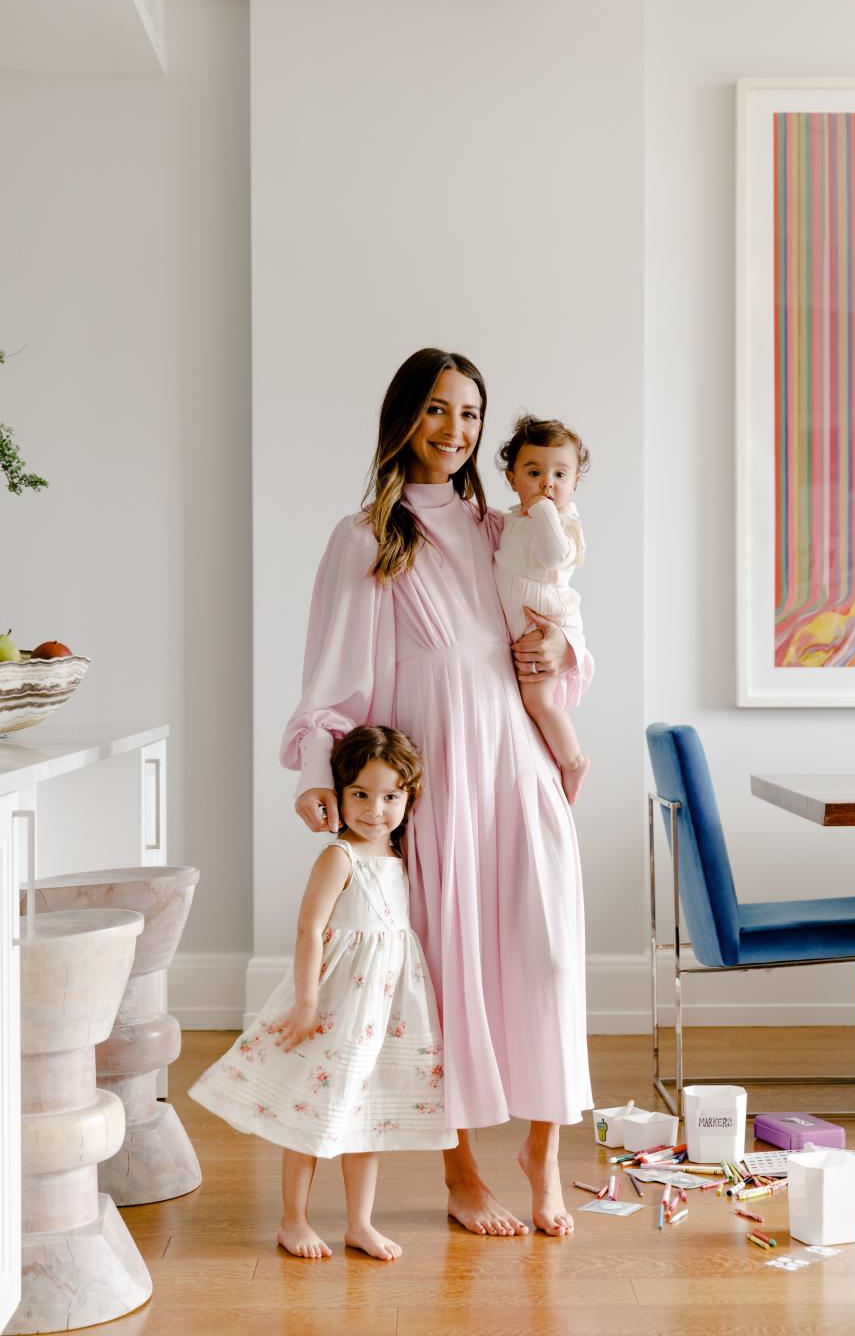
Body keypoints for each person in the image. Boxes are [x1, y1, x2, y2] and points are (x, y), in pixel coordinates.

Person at [282, 348, 593, 1238]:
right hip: (438, 777)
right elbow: (331, 678)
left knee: (551, 957)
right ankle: (461, 1173)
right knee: (445, 975)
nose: (454, 431)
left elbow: (565, 621)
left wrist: (560, 655)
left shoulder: (504, 531)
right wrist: (321, 777)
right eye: (437, 410)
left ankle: (543, 1153)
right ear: (404, 420)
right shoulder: (365, 537)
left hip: (519, 763)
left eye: (469, 414)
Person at [189, 725, 455, 1262]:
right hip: (336, 1005)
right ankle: (293, 1220)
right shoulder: (340, 858)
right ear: (337, 794)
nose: (374, 809)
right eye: (359, 794)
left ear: (408, 798)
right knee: (308, 1114)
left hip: (382, 1010)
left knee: (367, 1118)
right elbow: (309, 930)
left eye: (390, 797)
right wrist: (306, 1002)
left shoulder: (404, 859)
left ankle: (360, 1223)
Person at [494, 414, 591, 805]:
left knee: (539, 700)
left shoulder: (562, 521)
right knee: (526, 703)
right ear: (512, 479)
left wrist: (545, 509)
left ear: (574, 483)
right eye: (534, 472)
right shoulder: (513, 519)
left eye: (559, 474)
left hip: (547, 618)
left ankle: (573, 760)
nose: (547, 483)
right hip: (524, 622)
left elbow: (555, 556)